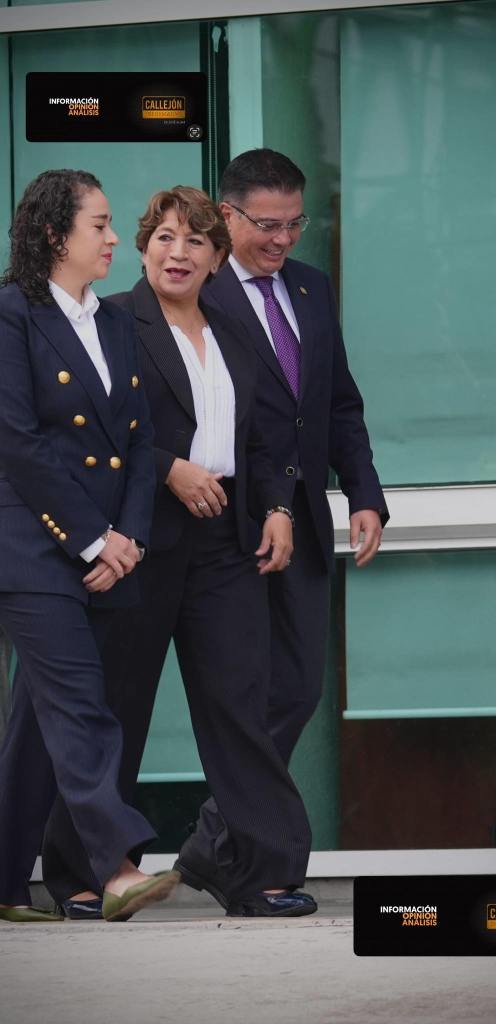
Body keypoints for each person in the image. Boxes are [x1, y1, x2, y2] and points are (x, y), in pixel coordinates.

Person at [41, 185, 316, 919]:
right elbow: (85, 426)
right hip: (138, 535)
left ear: (218, 258)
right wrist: (168, 468)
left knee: (240, 704)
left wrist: (280, 507)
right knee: (118, 704)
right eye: (164, 237)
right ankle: (83, 870)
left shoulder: (234, 331)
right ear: (142, 248)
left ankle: (257, 871)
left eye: (196, 240)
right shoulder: (110, 321)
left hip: (224, 539)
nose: (178, 252)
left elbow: (267, 437)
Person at [176, 149, 388, 905]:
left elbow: (336, 402)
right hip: (225, 521)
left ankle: (213, 842)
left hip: (303, 519)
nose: (283, 239)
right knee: (244, 693)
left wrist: (363, 492)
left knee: (296, 690)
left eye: (295, 224)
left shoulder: (310, 287)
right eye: (267, 225)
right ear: (226, 215)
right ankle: (250, 862)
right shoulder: (195, 291)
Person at [0, 169, 179, 923]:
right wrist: (91, 539)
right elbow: (18, 441)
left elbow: (139, 439)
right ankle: (117, 866)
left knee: (38, 727)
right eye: (99, 225)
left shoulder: (113, 321)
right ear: (54, 234)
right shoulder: (11, 313)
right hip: (32, 549)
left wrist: (128, 538)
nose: (112, 239)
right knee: (80, 706)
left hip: (108, 550)